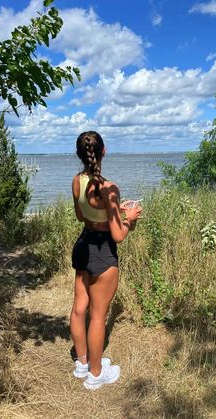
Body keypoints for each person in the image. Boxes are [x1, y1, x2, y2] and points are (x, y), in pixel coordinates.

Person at [70, 131, 142, 390]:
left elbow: (82, 216)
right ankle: (96, 374)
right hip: (103, 253)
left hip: (83, 246)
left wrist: (113, 210)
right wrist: (129, 218)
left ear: (80, 154)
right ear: (103, 151)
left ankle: (82, 363)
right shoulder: (109, 188)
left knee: (80, 308)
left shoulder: (77, 181)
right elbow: (118, 235)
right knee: (98, 316)